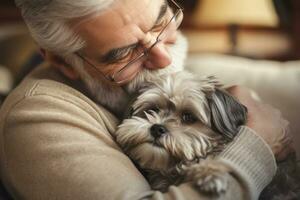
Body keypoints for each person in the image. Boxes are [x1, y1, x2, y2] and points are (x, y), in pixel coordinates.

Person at [0, 0, 293, 199]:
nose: (164, 57)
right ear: (62, 62)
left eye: (161, 23)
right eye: (124, 53)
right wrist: (257, 143)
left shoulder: (142, 80)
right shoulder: (37, 119)